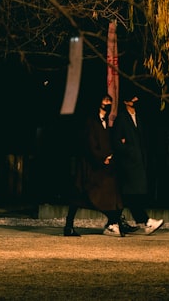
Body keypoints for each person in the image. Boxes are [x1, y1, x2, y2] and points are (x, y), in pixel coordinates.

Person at [63, 94, 124, 237]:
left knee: (107, 194)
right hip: (91, 165)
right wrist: (101, 157)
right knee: (82, 195)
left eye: (110, 101)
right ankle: (70, 226)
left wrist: (109, 155)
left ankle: (113, 221)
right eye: (105, 100)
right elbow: (90, 142)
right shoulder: (91, 120)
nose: (108, 103)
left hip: (102, 164)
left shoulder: (106, 122)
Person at [112, 86, 164, 235]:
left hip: (137, 162)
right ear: (126, 102)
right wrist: (128, 149)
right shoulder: (122, 118)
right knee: (130, 195)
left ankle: (115, 222)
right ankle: (144, 221)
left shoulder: (138, 118)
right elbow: (117, 142)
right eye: (132, 98)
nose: (135, 100)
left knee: (129, 196)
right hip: (128, 164)